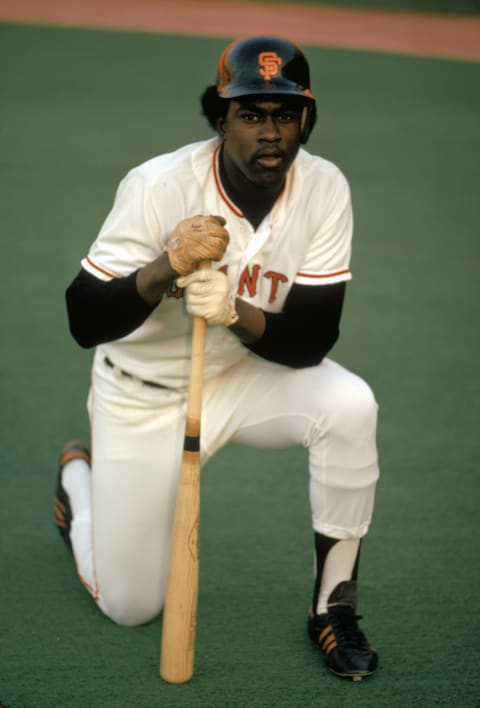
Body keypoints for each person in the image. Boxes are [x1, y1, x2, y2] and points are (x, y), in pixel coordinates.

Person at [55, 35, 380, 681]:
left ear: (305, 120)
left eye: (285, 114)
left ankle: (332, 606)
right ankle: (79, 490)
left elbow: (311, 341)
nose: (271, 133)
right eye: (251, 114)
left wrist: (236, 313)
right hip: (141, 394)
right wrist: (163, 270)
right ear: (219, 118)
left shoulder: (324, 188)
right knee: (130, 607)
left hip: (239, 376)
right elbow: (84, 320)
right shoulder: (158, 185)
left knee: (349, 405)